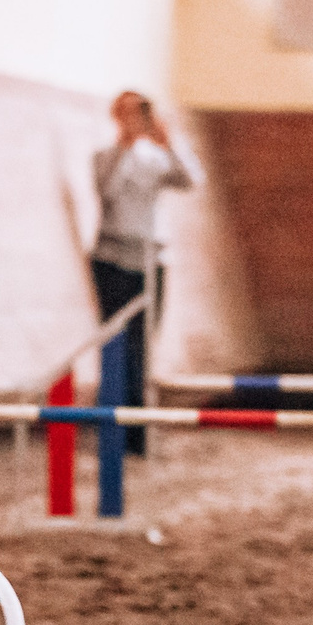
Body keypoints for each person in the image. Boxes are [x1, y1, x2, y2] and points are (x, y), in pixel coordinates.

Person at [91, 92, 196, 456]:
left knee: (142, 345)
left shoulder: (156, 159)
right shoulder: (105, 157)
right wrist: (128, 144)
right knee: (114, 344)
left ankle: (136, 429)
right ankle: (111, 425)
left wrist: (169, 141)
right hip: (113, 258)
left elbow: (190, 180)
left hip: (150, 262)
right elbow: (108, 192)